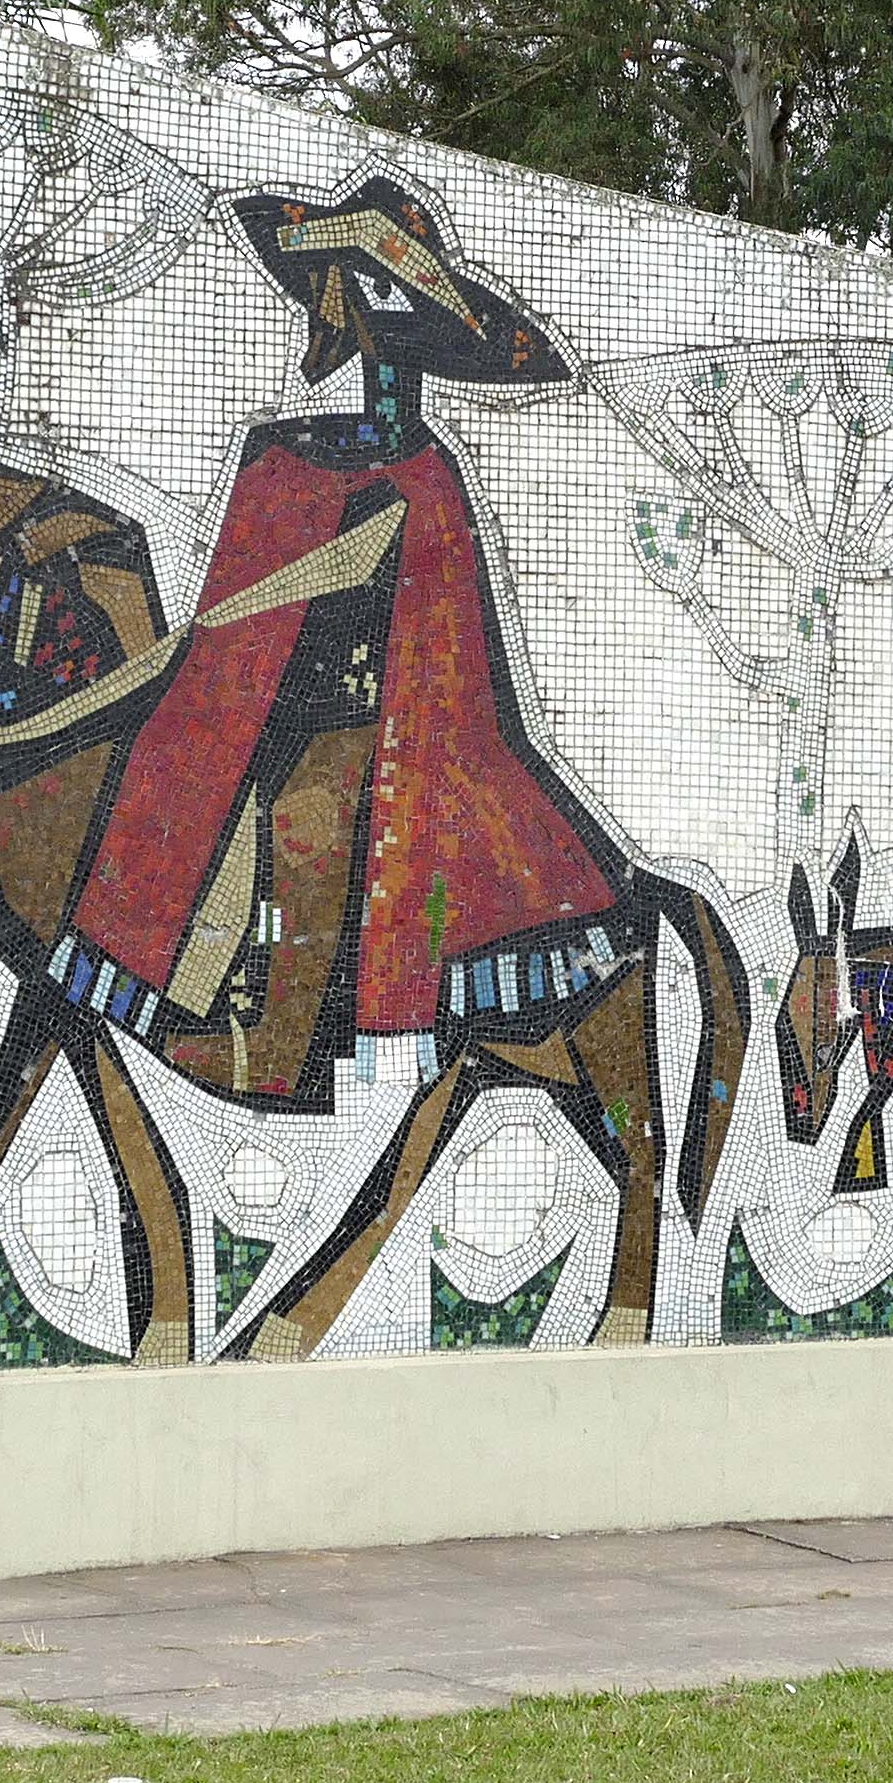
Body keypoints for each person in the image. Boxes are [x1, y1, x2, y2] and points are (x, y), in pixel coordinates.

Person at [56, 172, 653, 1106]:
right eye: (346, 285)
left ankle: (281, 1042)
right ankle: (180, 985)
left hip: (385, 724)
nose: (350, 312)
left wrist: (227, 615)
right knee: (199, 789)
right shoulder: (284, 454)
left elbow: (372, 570)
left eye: (370, 293)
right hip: (274, 702)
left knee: (311, 818)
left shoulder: (425, 475)